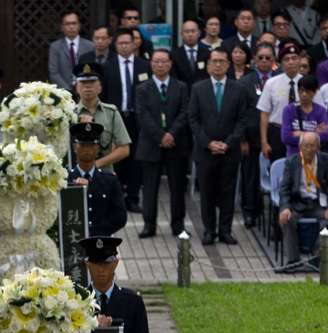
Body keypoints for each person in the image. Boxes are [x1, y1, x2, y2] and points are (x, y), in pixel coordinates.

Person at [189, 47, 249, 246]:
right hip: (205, 152)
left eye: (222, 61)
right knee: (206, 193)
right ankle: (209, 231)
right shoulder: (198, 88)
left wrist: (229, 143)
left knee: (227, 193)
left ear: (228, 64)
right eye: (214, 61)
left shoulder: (238, 88)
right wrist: (208, 143)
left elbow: (242, 120)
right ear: (207, 65)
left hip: (229, 151)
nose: (218, 64)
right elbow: (194, 120)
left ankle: (225, 230)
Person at [134, 50, 190, 238]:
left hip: (177, 143)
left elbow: (185, 112)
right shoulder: (142, 88)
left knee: (177, 187)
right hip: (151, 144)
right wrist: (160, 136)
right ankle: (149, 224)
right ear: (151, 64)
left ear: (170, 64)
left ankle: (178, 225)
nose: (160, 65)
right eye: (156, 61)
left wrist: (171, 134)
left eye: (164, 61)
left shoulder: (181, 86)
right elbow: (143, 116)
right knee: (149, 187)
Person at [98, 29, 150, 211]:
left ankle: (134, 198)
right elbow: (102, 96)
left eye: (128, 42)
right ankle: (116, 198)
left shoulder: (145, 66)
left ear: (134, 43)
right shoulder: (107, 67)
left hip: (137, 120)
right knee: (116, 159)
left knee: (137, 159)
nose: (124, 46)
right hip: (116, 119)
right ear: (115, 45)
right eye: (121, 43)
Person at [277, 131, 328, 268]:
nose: (309, 149)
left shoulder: (326, 160)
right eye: (306, 145)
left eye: (312, 146)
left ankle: (317, 257)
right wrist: (285, 208)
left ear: (318, 146)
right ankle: (293, 260)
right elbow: (284, 188)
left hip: (318, 203)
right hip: (297, 203)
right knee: (286, 219)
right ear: (300, 146)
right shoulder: (291, 161)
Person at [237, 42, 277, 228]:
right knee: (250, 175)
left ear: (274, 60)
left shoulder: (280, 79)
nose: (264, 61)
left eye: (268, 58)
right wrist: (243, 139)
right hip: (252, 137)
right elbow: (240, 112)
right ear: (254, 60)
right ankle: (250, 211)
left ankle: (277, 212)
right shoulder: (245, 82)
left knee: (277, 174)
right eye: (260, 58)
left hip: (276, 136)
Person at [67, 122, 127, 237]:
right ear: (75, 147)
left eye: (91, 145)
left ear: (98, 148)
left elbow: (120, 217)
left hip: (101, 243)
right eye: (82, 145)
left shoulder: (110, 181)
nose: (86, 149)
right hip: (73, 242)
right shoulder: (66, 180)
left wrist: (92, 232)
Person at [70, 63, 132, 174]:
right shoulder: (69, 113)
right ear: (77, 87)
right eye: (84, 82)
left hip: (104, 174)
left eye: (92, 82)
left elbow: (124, 149)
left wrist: (94, 165)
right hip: (75, 174)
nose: (88, 86)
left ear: (100, 87)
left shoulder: (111, 112)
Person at [258, 42, 305, 162]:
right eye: (286, 59)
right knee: (279, 169)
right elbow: (264, 113)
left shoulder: (309, 83)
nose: (291, 62)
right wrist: (264, 142)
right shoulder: (271, 83)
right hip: (277, 132)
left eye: (294, 58)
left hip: (303, 132)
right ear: (280, 63)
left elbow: (318, 111)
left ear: (300, 60)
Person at [281, 75, 328, 156]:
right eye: (301, 91)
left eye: (308, 91)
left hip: (314, 156)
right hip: (294, 156)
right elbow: (286, 137)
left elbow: (325, 136)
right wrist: (314, 133)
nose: (304, 94)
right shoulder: (288, 110)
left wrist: (299, 133)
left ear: (314, 92)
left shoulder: (321, 111)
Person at [49, 11, 94, 92]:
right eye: (68, 24)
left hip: (86, 89)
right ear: (62, 27)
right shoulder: (55, 47)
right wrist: (67, 90)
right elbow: (54, 72)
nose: (71, 27)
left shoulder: (90, 45)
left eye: (74, 23)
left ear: (79, 25)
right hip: (64, 90)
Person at [171, 19, 210, 87]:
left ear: (199, 33)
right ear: (182, 34)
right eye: (187, 31)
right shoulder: (174, 55)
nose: (190, 34)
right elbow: (174, 79)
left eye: (193, 31)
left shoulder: (207, 54)